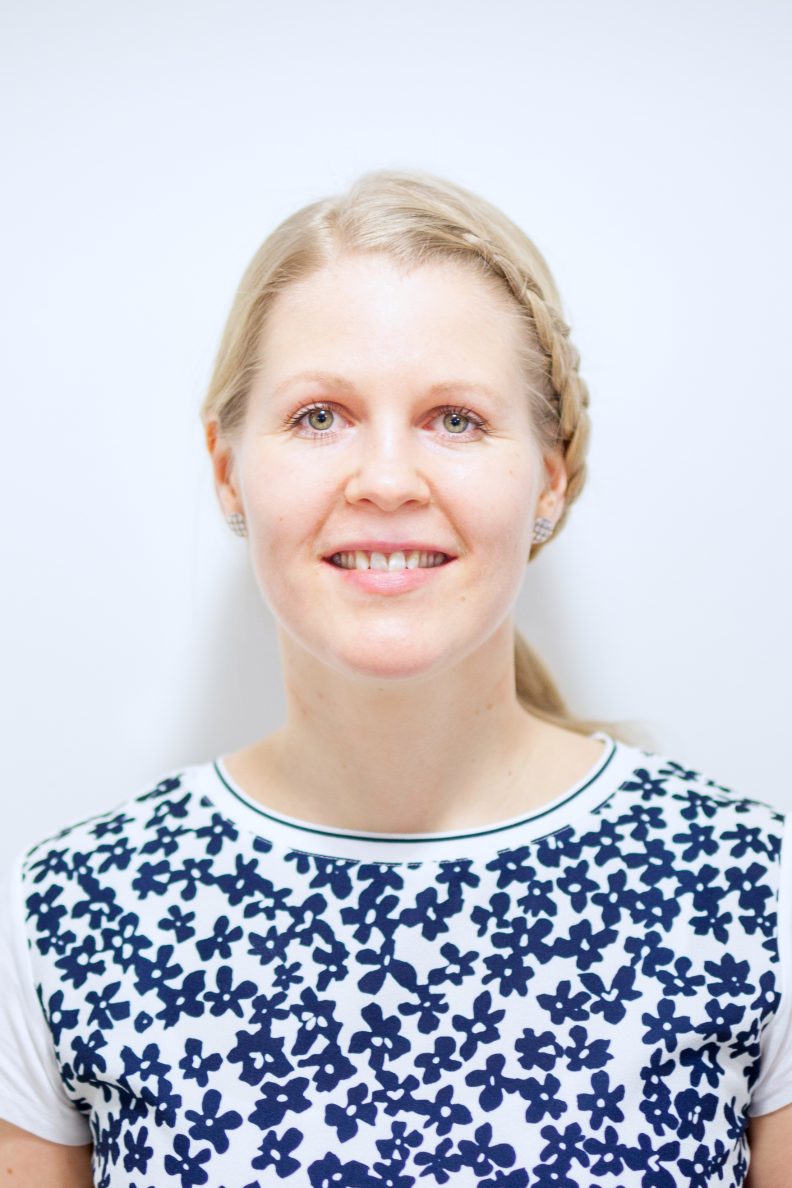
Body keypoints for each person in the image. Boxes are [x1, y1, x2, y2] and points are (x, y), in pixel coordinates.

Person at [0, 169, 789, 1187]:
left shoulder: (752, 891)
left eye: (454, 419)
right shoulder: (70, 913)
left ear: (549, 475)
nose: (383, 480)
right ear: (228, 468)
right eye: (318, 416)